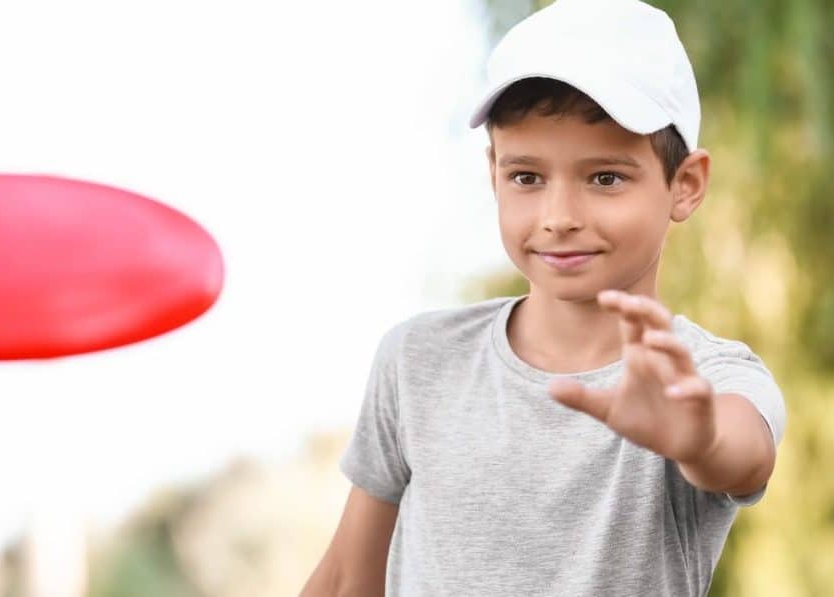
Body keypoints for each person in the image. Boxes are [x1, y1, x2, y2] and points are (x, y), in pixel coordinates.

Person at [300, 0, 787, 595]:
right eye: (526, 177)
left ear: (684, 185)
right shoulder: (418, 360)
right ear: (494, 172)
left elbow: (743, 452)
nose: (558, 218)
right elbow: (349, 578)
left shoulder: (703, 380)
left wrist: (699, 439)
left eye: (605, 177)